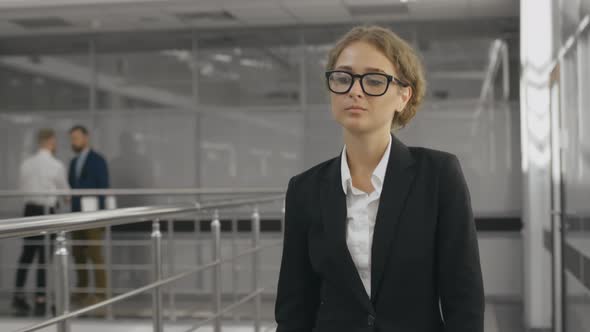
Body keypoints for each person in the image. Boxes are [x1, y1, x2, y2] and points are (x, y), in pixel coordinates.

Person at [275, 26, 484, 332]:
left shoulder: (438, 176)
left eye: (374, 80)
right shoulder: (304, 189)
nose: (354, 91)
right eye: (343, 78)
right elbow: (295, 307)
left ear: (403, 95)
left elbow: (464, 300)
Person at [13, 128, 69, 316]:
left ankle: (18, 294)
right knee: (44, 257)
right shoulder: (56, 164)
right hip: (47, 211)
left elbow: (21, 188)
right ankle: (40, 297)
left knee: (27, 254)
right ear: (51, 141)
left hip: (29, 211)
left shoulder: (26, 164)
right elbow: (65, 193)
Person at [67, 125, 109, 307]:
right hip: (76, 215)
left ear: (86, 137)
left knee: (95, 254)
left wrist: (102, 217)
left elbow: (104, 187)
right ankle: (82, 290)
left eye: (76, 138)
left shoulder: (98, 160)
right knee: (78, 254)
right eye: (72, 139)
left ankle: (101, 294)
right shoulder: (73, 163)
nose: (73, 142)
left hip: (93, 215)